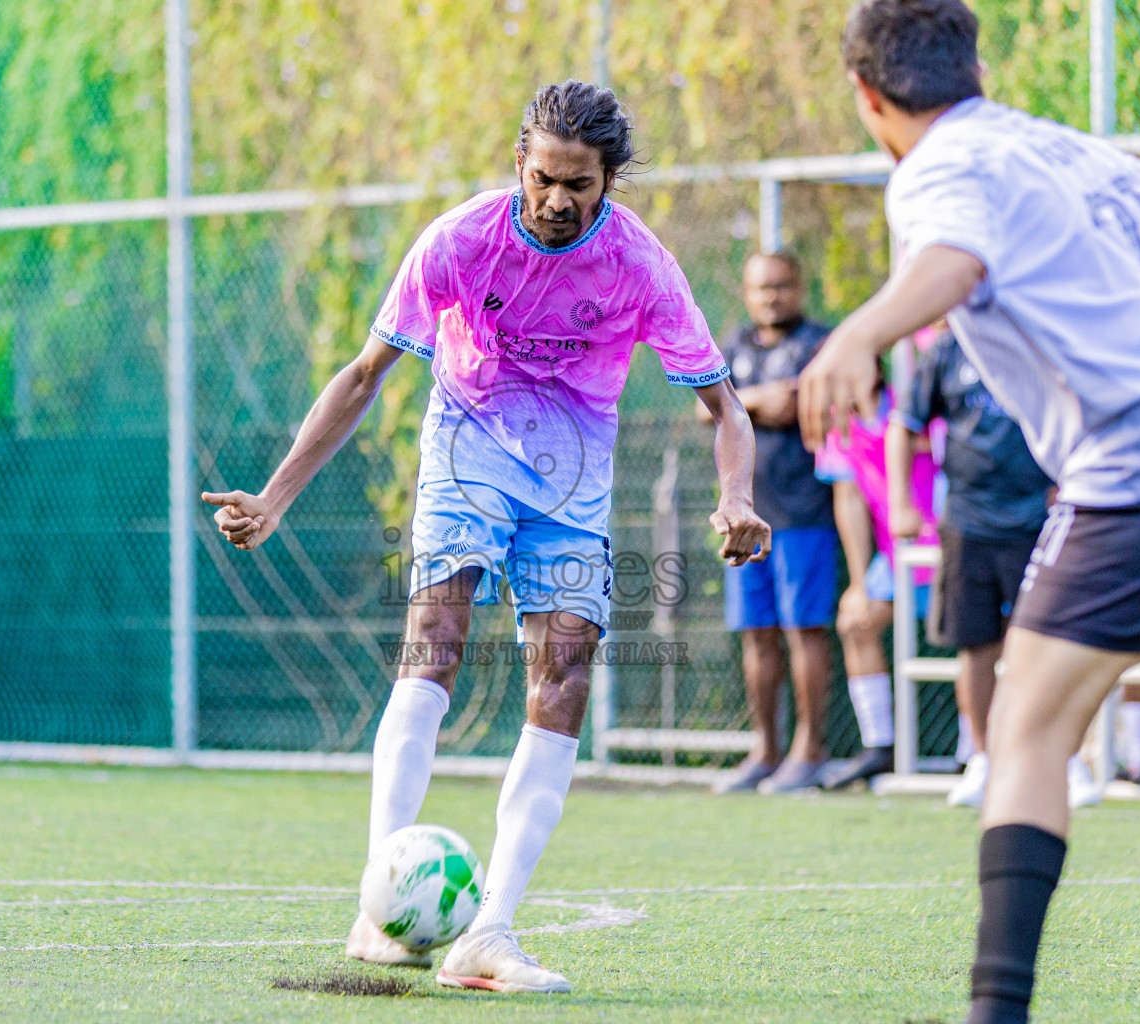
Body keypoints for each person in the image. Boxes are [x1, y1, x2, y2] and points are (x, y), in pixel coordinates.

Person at [203, 80, 769, 995]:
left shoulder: (641, 266)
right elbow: (363, 375)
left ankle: (486, 935)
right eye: (543, 177)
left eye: (578, 185)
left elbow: (723, 408)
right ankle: (380, 907)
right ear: (519, 161)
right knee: (435, 642)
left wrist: (735, 497)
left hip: (574, 485)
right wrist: (274, 498)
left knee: (566, 679)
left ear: (608, 182)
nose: (555, 200)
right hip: (467, 451)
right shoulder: (462, 240)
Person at [802, 3, 1140, 1022]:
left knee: (1025, 728)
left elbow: (953, 263)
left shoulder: (934, 171)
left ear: (868, 98)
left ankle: (997, 1011)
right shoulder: (1063, 145)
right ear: (976, 65)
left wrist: (860, 329)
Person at [888, 324, 1073, 808]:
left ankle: (1060, 760)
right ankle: (985, 760)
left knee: (1046, 643)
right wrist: (901, 502)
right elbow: (904, 425)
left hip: (1041, 517)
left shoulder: (1042, 341)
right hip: (967, 522)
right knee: (976, 645)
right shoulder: (946, 351)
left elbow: (1080, 420)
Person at [698, 251, 839, 794]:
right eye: (762, 288)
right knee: (756, 633)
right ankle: (766, 751)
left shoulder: (820, 346)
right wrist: (756, 400)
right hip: (745, 515)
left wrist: (743, 405)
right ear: (747, 293)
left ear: (799, 288)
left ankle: (811, 751)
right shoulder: (734, 346)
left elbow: (813, 403)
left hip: (805, 513)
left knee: (804, 630)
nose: (772, 297)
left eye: (782, 286)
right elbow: (704, 406)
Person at [813, 380, 938, 790]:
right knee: (856, 623)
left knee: (988, 635)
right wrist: (858, 581)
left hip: (954, 542)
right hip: (895, 554)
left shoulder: (916, 396)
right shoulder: (838, 422)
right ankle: (879, 748)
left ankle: (975, 756)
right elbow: (847, 498)